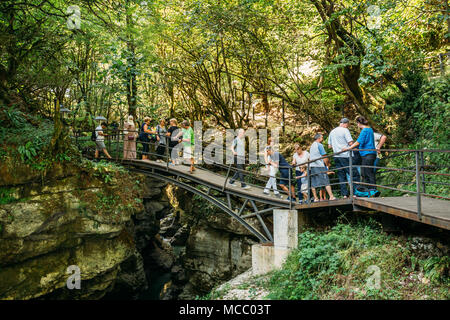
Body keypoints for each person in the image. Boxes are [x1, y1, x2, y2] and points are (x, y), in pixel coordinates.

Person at [343, 116, 378, 193]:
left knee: (368, 172)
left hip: (367, 154)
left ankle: (373, 190)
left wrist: (349, 148)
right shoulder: (370, 129)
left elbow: (358, 141)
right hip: (369, 153)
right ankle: (370, 189)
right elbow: (364, 142)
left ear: (358, 123)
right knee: (366, 172)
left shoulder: (365, 130)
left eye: (357, 124)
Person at [328, 117, 361, 198]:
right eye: (347, 125)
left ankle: (345, 195)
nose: (347, 126)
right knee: (354, 174)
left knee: (341, 175)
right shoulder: (345, 130)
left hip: (336, 156)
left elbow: (329, 146)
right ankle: (355, 193)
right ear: (345, 124)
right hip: (346, 155)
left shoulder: (332, 132)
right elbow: (350, 143)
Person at [309, 133, 336, 202]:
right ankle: (331, 196)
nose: (322, 138)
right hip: (319, 165)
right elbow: (324, 156)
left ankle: (316, 198)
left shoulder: (312, 145)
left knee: (314, 182)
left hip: (312, 166)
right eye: (322, 137)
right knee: (326, 180)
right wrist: (327, 165)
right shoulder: (319, 145)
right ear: (319, 138)